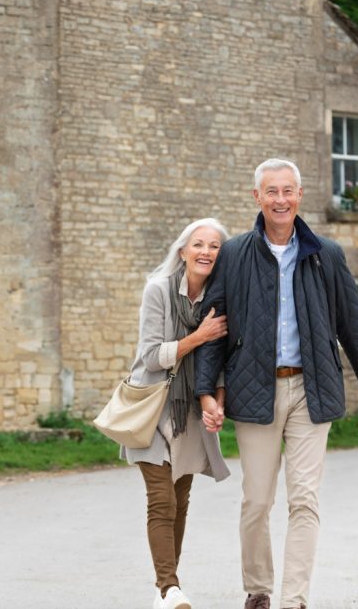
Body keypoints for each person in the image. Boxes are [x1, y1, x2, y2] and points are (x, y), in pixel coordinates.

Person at [194, 159, 358, 609]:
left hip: (312, 391)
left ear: (300, 195)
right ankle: (258, 589)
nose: (280, 199)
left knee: (304, 500)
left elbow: (351, 326)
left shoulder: (327, 255)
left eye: (288, 191)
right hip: (253, 390)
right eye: (271, 191)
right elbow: (214, 326)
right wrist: (206, 390)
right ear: (256, 197)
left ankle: (295, 599)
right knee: (257, 501)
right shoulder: (235, 254)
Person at [123, 218, 233, 609]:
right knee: (161, 501)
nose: (205, 251)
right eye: (198, 244)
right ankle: (170, 587)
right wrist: (199, 336)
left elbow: (219, 360)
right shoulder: (158, 291)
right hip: (152, 407)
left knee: (180, 500)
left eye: (214, 246)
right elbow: (151, 356)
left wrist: (216, 399)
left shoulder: (220, 300)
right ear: (183, 251)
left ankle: (164, 589)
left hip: (189, 410)